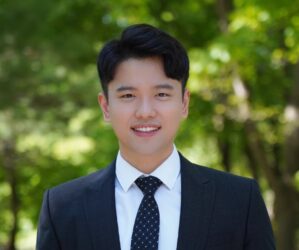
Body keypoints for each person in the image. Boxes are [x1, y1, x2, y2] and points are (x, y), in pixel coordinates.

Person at [36, 24, 275, 250]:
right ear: (106, 106)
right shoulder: (62, 207)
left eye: (161, 94)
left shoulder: (240, 201)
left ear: (184, 103)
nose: (145, 112)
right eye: (128, 95)